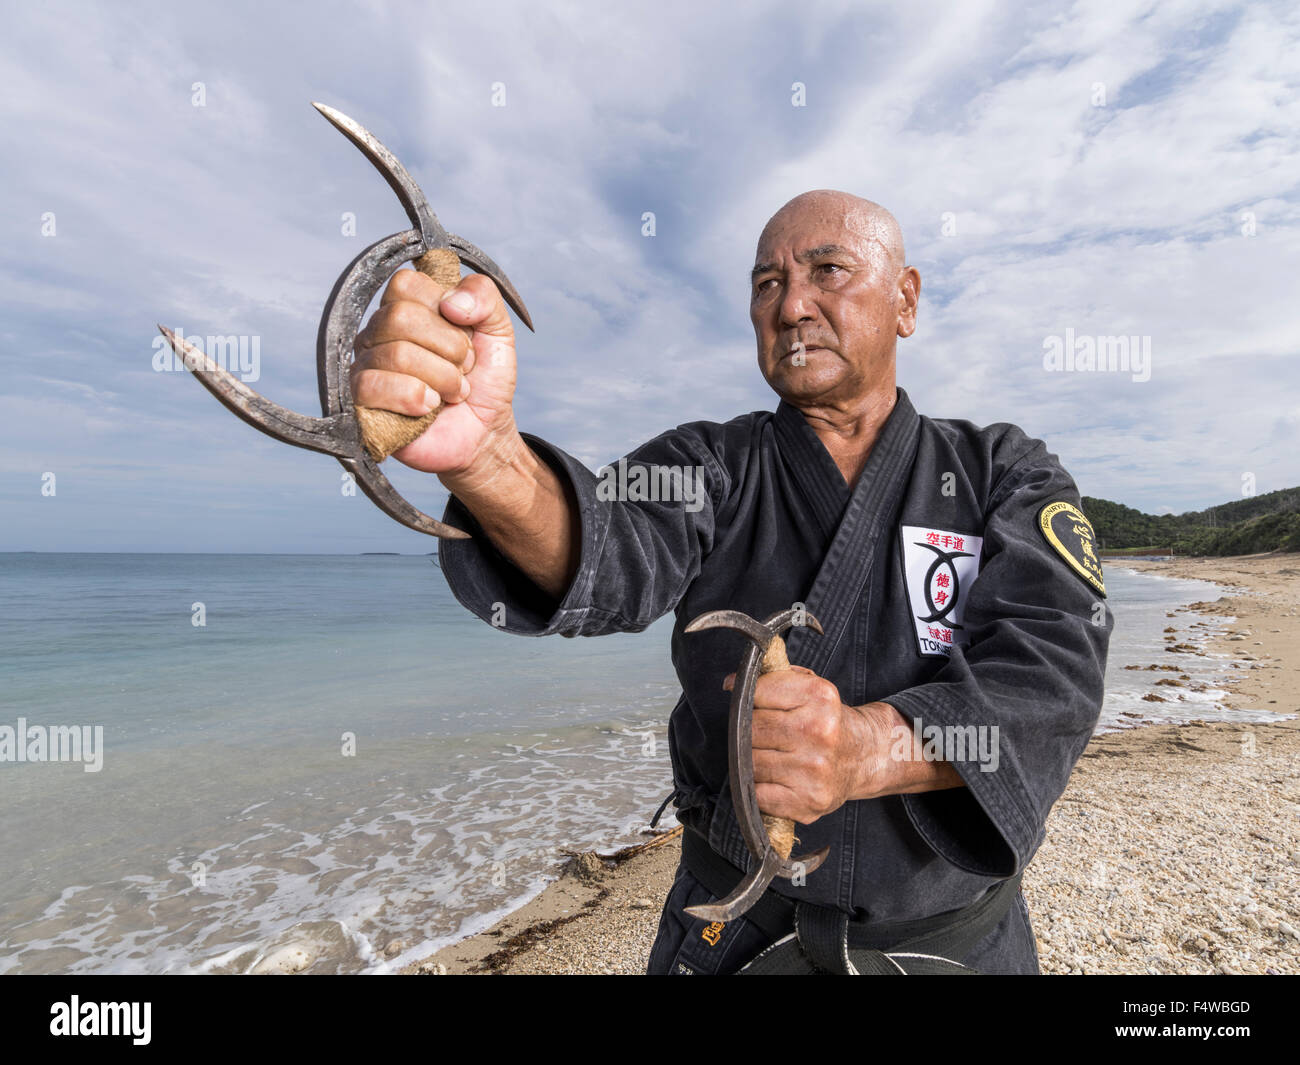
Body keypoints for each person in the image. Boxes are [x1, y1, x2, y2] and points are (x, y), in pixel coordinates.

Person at [351, 189, 1112, 974]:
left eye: (827, 270)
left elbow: (1053, 669)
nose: (792, 306)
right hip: (731, 935)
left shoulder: (999, 473)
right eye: (767, 284)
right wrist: (491, 461)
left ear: (905, 300)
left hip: (952, 944)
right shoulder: (707, 468)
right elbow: (608, 545)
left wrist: (867, 747)